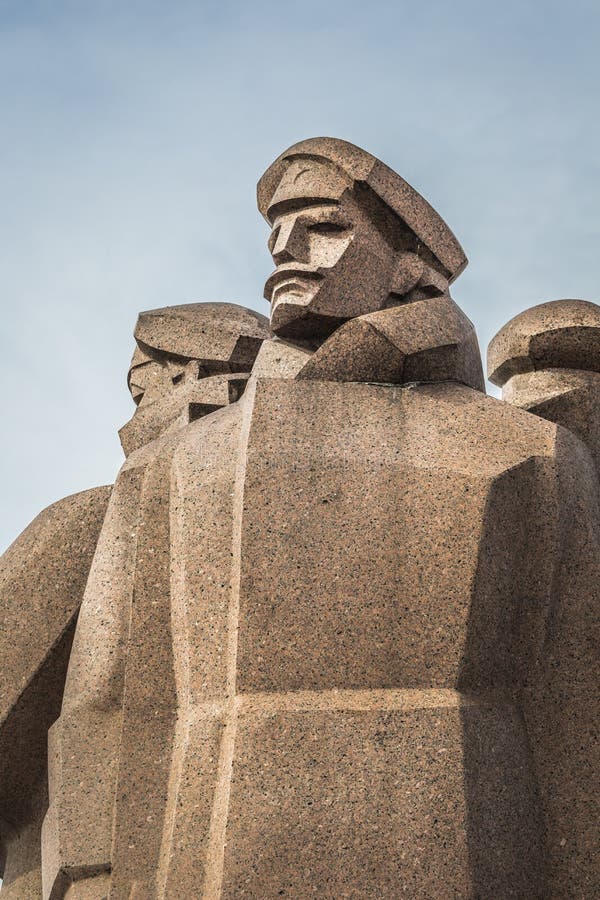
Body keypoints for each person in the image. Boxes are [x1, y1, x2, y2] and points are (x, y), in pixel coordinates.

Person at [43, 140, 600, 898]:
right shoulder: (175, 466)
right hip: (198, 851)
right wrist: (89, 872)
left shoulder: (531, 453)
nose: (284, 247)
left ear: (413, 267)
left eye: (324, 227)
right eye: (276, 228)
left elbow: (573, 709)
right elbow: (111, 703)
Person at [0, 302, 269, 899]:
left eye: (137, 389)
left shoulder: (90, 520)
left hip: (92, 863)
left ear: (182, 376)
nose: (130, 419)